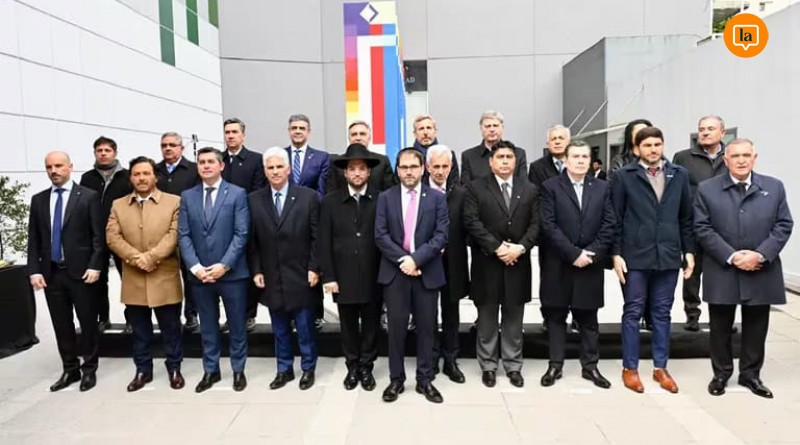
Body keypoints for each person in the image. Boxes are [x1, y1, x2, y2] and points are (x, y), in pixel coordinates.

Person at [694, 138, 793, 398]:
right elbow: (702, 227)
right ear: (725, 160)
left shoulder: (774, 186)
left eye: (746, 155)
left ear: (754, 158)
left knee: (757, 326)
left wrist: (761, 254)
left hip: (761, 268)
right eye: (735, 156)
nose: (741, 160)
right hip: (723, 268)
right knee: (720, 327)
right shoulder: (707, 189)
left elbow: (784, 224)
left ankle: (751, 375)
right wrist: (731, 256)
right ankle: (721, 374)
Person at [610, 127, 695, 394]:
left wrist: (689, 251)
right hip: (635, 256)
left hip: (668, 256)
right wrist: (616, 254)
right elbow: (615, 218)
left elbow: (686, 217)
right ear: (637, 149)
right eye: (647, 145)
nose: (653, 149)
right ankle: (630, 368)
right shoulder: (624, 176)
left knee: (662, 313)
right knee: (633, 312)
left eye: (657, 144)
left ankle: (660, 368)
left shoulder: (679, 175)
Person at [538, 140, 616, 389]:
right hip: (559, 263)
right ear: (566, 160)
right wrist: (573, 254)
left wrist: (590, 254)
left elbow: (609, 223)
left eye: (585, 157)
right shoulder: (550, 186)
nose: (581, 161)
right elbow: (548, 225)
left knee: (588, 318)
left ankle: (590, 367)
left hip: (590, 263)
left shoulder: (603, 187)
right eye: (575, 156)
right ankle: (555, 365)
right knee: (556, 316)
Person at [463, 140, 539, 389]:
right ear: (491, 161)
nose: (505, 161)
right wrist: (497, 247)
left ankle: (513, 365)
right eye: (500, 157)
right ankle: (488, 366)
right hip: (487, 263)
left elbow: (536, 224)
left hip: (518, 262)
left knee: (514, 317)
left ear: (515, 161)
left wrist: (520, 247)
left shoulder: (529, 189)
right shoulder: (475, 188)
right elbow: (471, 221)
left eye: (509, 157)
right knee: (486, 318)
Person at [375, 148, 449, 404]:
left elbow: (441, 235)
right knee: (396, 330)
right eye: (404, 167)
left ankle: (425, 379)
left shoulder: (437, 198)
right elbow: (380, 235)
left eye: (413, 167)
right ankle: (396, 379)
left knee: (427, 328)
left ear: (423, 169)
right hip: (395, 273)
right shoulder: (385, 197)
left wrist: (416, 259)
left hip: (427, 272)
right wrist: (404, 260)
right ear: (397, 170)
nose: (409, 172)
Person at [106, 157, 184, 392]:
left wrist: (151, 257)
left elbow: (174, 235)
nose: (141, 178)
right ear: (130, 178)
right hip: (134, 277)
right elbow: (112, 237)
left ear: (155, 177)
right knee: (140, 330)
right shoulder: (118, 205)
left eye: (146, 173)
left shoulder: (173, 202)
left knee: (171, 328)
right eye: (136, 174)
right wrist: (135, 258)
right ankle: (143, 370)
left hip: (164, 276)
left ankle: (174, 368)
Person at [27, 151, 103, 392]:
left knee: (87, 323)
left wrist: (95, 265)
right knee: (62, 325)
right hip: (51, 274)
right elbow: (34, 240)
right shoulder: (39, 200)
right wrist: (34, 270)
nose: (54, 171)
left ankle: (89, 369)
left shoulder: (88, 197)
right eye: (49, 167)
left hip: (82, 273)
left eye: (59, 165)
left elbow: (98, 236)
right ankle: (70, 369)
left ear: (70, 167)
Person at [178, 148, 250, 393]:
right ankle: (211, 370)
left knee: (237, 325)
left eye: (211, 162)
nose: (206, 165)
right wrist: (196, 267)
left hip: (232, 274)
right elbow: (183, 235)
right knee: (208, 326)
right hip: (200, 275)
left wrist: (224, 265)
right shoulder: (188, 196)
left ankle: (238, 369)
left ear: (221, 166)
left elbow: (241, 233)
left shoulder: (237, 194)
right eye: (201, 162)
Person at [248, 147, 320, 390]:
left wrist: (314, 268)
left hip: (301, 274)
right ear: (265, 171)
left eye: (280, 166)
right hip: (271, 274)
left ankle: (308, 368)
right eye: (271, 167)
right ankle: (284, 369)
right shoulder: (254, 200)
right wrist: (257, 270)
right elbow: (252, 241)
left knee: (305, 328)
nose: (275, 171)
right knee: (279, 329)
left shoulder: (308, 197)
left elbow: (317, 237)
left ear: (289, 169)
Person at [319, 143, 381, 391]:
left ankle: (367, 366)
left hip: (374, 274)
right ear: (345, 172)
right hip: (342, 276)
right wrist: (329, 276)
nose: (357, 173)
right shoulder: (330, 202)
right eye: (352, 169)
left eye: (361, 168)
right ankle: (352, 366)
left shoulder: (381, 199)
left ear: (369, 172)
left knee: (371, 324)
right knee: (348, 325)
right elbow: (323, 241)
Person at [672, 115, 729, 331]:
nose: (705, 132)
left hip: (723, 227)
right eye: (702, 129)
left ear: (722, 132)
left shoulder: (730, 156)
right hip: (694, 224)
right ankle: (692, 315)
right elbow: (674, 190)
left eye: (710, 129)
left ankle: (721, 317)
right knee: (691, 273)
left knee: (722, 274)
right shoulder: (683, 158)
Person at [79, 136, 132, 332]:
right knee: (98, 281)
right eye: (99, 150)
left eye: (107, 150)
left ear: (115, 153)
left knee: (128, 279)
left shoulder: (127, 176)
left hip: (121, 236)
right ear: (95, 153)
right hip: (96, 237)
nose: (103, 154)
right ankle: (103, 318)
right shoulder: (87, 178)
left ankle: (132, 319)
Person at [425, 144, 469, 383]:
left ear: (451, 166)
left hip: (454, 263)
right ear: (427, 167)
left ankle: (451, 359)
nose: (440, 171)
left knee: (451, 313)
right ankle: (431, 357)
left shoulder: (461, 193)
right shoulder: (419, 193)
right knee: (428, 313)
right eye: (436, 166)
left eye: (444, 166)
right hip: (428, 263)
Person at [154, 131, 201, 331]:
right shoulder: (154, 170)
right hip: (160, 231)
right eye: (164, 145)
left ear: (181, 148)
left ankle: (191, 314)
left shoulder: (193, 170)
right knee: (166, 276)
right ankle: (171, 317)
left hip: (187, 231)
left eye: (172, 145)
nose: (168, 148)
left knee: (189, 275)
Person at [222, 117, 266, 332]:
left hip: (248, 222)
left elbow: (257, 191)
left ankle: (249, 314)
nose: (230, 136)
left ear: (243, 135)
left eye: (235, 132)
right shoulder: (218, 160)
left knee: (248, 270)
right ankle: (231, 316)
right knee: (226, 271)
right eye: (227, 132)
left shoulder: (256, 160)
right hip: (222, 224)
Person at [327, 120, 397, 194]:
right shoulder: (336, 162)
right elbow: (331, 193)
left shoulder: (382, 161)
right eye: (354, 134)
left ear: (369, 137)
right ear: (349, 138)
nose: (358, 138)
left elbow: (390, 193)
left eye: (362, 134)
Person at [461, 111, 527, 184]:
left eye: (495, 126)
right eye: (488, 126)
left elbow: (524, 185)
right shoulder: (469, 156)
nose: (492, 130)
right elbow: (465, 187)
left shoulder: (518, 154)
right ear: (481, 129)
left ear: (502, 128)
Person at [285, 114, 331, 199]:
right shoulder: (280, 156)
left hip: (310, 205)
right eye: (294, 128)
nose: (298, 131)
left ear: (308, 132)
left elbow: (321, 191)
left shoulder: (321, 158)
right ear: (289, 131)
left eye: (302, 128)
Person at [411, 115, 459, 185]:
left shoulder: (448, 154)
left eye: (429, 128)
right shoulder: (407, 157)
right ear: (415, 134)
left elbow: (454, 183)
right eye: (421, 129)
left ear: (435, 131)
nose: (425, 132)